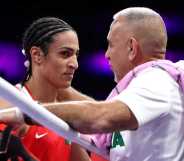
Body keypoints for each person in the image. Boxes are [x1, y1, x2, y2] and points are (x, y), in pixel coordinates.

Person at [27, 7, 184, 161]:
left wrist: (26, 113)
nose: (107, 55)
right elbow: (102, 113)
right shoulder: (143, 92)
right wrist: (61, 90)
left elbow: (100, 116)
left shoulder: (157, 80)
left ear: (132, 48)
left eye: (111, 45)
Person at [0, 17, 91, 161]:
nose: (75, 64)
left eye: (76, 55)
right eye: (65, 54)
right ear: (37, 55)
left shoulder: (67, 113)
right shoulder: (8, 106)